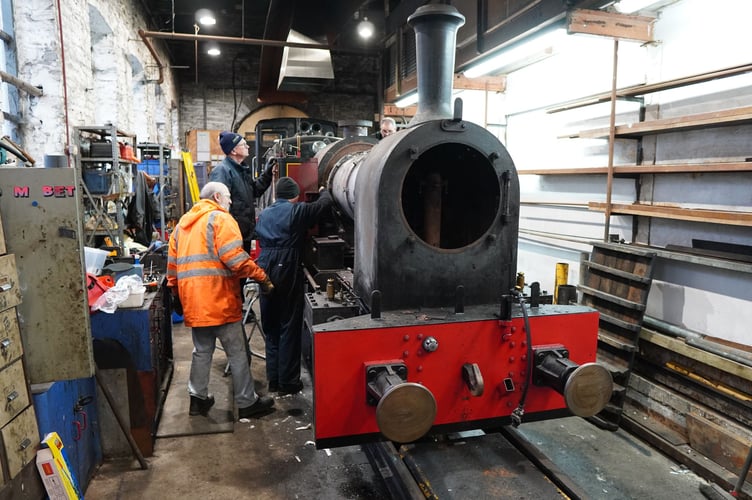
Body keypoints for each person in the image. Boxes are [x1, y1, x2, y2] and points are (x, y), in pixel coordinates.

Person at [167, 181, 276, 420]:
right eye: (228, 197)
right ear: (217, 197)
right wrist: (262, 277)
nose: (230, 202)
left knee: (202, 351)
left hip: (194, 303)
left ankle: (197, 399)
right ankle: (247, 402)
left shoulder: (182, 227)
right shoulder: (221, 219)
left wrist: (175, 295)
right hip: (219, 300)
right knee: (237, 353)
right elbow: (234, 258)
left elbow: (172, 269)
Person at [255, 177, 333, 395]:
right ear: (294, 195)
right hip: (286, 266)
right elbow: (322, 206)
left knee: (270, 325)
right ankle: (289, 382)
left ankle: (274, 379)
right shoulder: (296, 211)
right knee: (288, 323)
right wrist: (324, 190)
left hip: (264, 267)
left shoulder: (265, 214)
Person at [209, 131, 274, 253]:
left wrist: (268, 173)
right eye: (244, 145)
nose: (248, 146)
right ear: (233, 151)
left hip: (244, 234)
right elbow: (218, 206)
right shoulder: (222, 171)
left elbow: (254, 191)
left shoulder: (241, 170)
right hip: (231, 236)